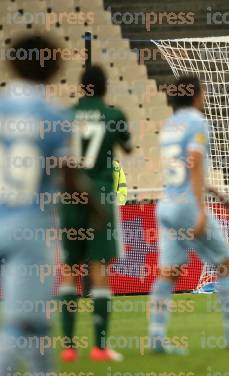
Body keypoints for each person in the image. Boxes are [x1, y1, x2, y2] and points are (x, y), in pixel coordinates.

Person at [148, 76, 229, 354]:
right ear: (195, 95)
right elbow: (196, 161)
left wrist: (218, 195)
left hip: (166, 204)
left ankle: (155, 337)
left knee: (168, 273)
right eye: (202, 91)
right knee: (225, 264)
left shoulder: (168, 127)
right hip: (188, 206)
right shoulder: (197, 122)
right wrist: (201, 210)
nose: (205, 95)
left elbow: (182, 169)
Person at [0, 34, 90, 374]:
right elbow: (68, 176)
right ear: (53, 67)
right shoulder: (53, 115)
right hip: (29, 227)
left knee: (36, 319)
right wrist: (93, 207)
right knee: (23, 322)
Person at [59, 65, 133, 362]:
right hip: (100, 198)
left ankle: (67, 348)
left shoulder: (65, 116)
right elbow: (126, 147)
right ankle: (100, 347)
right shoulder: (113, 115)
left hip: (71, 195)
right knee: (98, 269)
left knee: (69, 269)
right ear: (105, 87)